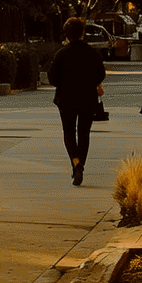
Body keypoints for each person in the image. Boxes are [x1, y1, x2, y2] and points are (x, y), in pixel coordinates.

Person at [48, 16, 107, 186]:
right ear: (82, 33)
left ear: (66, 34)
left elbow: (52, 78)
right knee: (84, 133)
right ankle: (81, 165)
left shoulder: (61, 54)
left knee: (68, 132)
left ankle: (75, 163)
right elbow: (100, 74)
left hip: (66, 98)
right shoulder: (92, 53)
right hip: (87, 98)